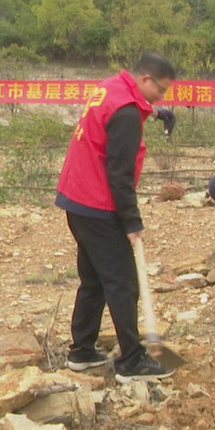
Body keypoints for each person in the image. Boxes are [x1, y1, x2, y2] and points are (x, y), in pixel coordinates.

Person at [55, 51, 177, 382]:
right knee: (122, 281)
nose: (161, 97)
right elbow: (120, 174)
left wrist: (155, 112)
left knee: (93, 278)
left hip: (76, 199)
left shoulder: (111, 87)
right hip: (98, 205)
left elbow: (110, 124)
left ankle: (81, 351)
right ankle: (132, 360)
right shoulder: (125, 112)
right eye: (160, 91)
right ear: (145, 79)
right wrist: (132, 222)